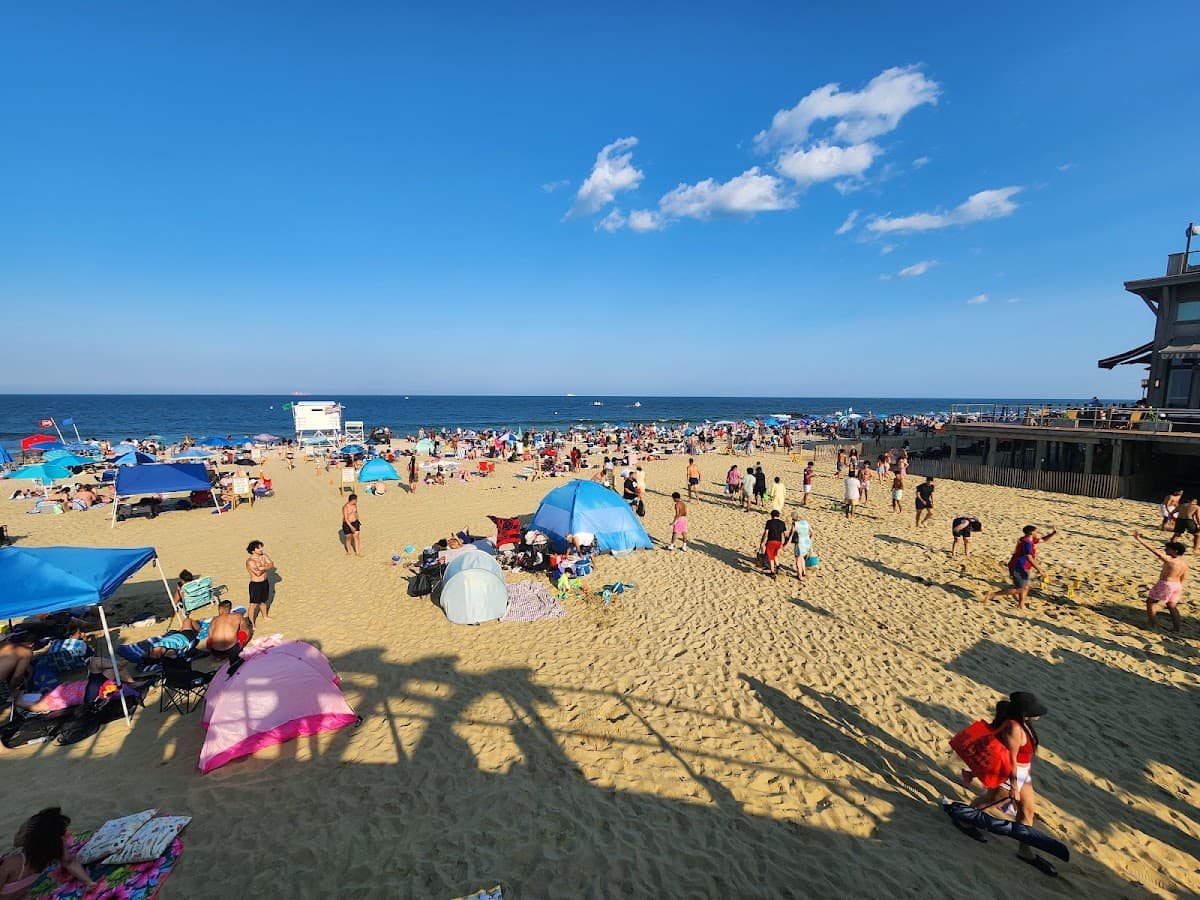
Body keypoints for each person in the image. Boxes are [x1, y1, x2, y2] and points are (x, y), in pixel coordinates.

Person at [961, 692, 1057, 876]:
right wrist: (1014, 786)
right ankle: (964, 819)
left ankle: (1024, 850)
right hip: (1009, 775)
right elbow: (1011, 760)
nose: (1038, 713)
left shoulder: (1024, 724)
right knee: (990, 801)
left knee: (1027, 811)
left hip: (1022, 775)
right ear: (1024, 713)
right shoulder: (1013, 728)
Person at [0, 808, 97, 896]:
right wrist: (88, 881)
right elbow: (69, 862)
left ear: (29, 841)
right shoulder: (46, 858)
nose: (16, 835)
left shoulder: (12, 863)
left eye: (19, 832)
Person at [984, 525, 1059, 609]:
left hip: (1023, 566)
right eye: (1036, 531)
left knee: (1025, 587)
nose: (1037, 533)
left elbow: (1043, 540)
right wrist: (1039, 570)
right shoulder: (1027, 542)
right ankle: (993, 594)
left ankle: (1021, 605)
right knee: (1021, 589)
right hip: (1019, 566)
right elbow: (1029, 557)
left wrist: (1052, 534)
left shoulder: (1028, 539)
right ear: (1031, 532)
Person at [1134, 530, 1187, 631]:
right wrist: (1179, 586)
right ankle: (1177, 628)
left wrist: (1139, 540)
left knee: (1150, 602)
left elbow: (1154, 551)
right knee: (1172, 606)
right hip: (1177, 585)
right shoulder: (1183, 563)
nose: (1166, 550)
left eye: (1168, 549)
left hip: (1166, 584)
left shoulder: (1170, 560)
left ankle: (1152, 625)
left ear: (1175, 551)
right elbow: (1183, 576)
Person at [245, 540, 274, 624]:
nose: (261, 549)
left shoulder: (264, 556)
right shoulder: (250, 561)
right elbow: (257, 573)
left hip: (265, 582)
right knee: (253, 604)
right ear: (253, 550)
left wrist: (262, 567)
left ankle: (265, 616)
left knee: (263, 601)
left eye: (261, 547)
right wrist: (266, 566)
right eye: (258, 548)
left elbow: (271, 564)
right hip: (256, 585)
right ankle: (252, 623)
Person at [784, 513, 815, 581]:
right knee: (802, 558)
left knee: (798, 559)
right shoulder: (806, 522)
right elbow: (812, 533)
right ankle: (804, 572)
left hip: (800, 543)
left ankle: (800, 575)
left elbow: (791, 536)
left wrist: (787, 545)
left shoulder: (795, 524)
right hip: (806, 542)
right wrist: (810, 541)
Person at [758, 509, 788, 578]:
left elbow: (766, 533)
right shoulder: (782, 523)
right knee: (775, 554)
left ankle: (772, 572)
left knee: (770, 557)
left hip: (771, 541)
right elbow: (785, 534)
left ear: (772, 515)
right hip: (779, 542)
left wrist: (762, 541)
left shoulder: (769, 522)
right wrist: (785, 544)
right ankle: (777, 567)